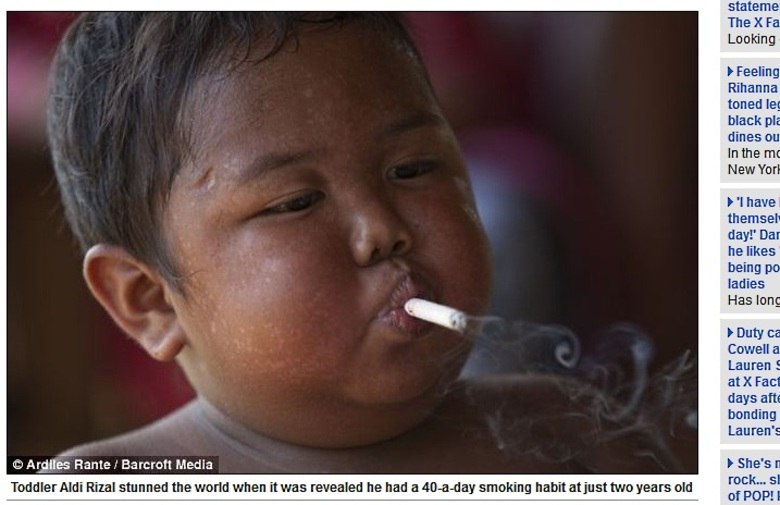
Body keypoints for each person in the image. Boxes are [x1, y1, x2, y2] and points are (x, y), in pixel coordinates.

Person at [47, 12, 680, 473]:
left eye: (413, 169)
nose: (382, 229)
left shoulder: (574, 439)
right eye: (296, 202)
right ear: (150, 300)